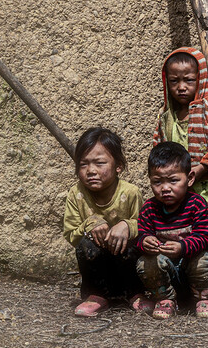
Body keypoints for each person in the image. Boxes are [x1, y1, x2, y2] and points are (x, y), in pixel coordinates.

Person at [151, 48, 208, 268]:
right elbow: (158, 150)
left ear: (201, 79)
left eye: (188, 80)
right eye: (174, 81)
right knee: (188, 234)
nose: (181, 87)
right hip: (181, 195)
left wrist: (201, 168)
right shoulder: (166, 116)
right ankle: (192, 279)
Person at [62, 128, 148, 316]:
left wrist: (126, 225)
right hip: (98, 271)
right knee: (85, 244)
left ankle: (135, 293)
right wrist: (89, 224)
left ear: (118, 166)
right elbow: (71, 235)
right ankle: (96, 296)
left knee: (133, 245)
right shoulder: (76, 194)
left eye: (100, 163)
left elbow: (145, 228)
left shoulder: (131, 192)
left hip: (127, 267)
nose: (91, 171)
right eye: (83, 164)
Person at [136, 141, 208, 320]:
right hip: (166, 274)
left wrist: (183, 247)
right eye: (157, 182)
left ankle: (202, 298)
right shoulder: (149, 209)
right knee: (145, 262)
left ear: (189, 178)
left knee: (204, 258)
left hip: (193, 271)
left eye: (173, 180)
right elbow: (141, 236)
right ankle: (165, 299)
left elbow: (205, 238)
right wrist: (145, 242)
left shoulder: (197, 205)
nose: (165, 188)